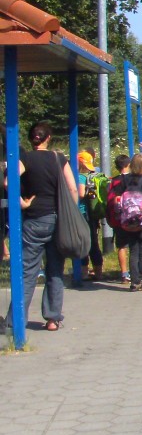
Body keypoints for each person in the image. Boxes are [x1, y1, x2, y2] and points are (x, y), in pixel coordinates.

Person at [1, 121, 79, 333]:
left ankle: (15, 321)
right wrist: (71, 212)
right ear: (48, 138)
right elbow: (73, 188)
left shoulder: (25, 158)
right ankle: (53, 319)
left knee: (27, 272)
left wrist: (22, 202)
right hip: (57, 220)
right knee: (55, 270)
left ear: (31, 139)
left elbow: (9, 182)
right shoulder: (58, 158)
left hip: (33, 220)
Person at [113, 153, 142, 291]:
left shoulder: (125, 180)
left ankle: (133, 282)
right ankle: (140, 280)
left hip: (128, 221)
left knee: (133, 250)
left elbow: (117, 198)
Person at [75, 150, 102, 284]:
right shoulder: (93, 175)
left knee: (83, 243)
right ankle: (98, 271)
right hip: (92, 214)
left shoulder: (80, 176)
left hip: (82, 212)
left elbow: (80, 194)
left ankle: (84, 272)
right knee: (94, 242)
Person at [110, 154, 132, 283]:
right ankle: (139, 271)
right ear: (128, 165)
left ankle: (124, 273)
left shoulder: (114, 181)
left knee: (122, 246)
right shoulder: (134, 179)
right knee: (135, 245)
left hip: (119, 218)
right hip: (134, 216)